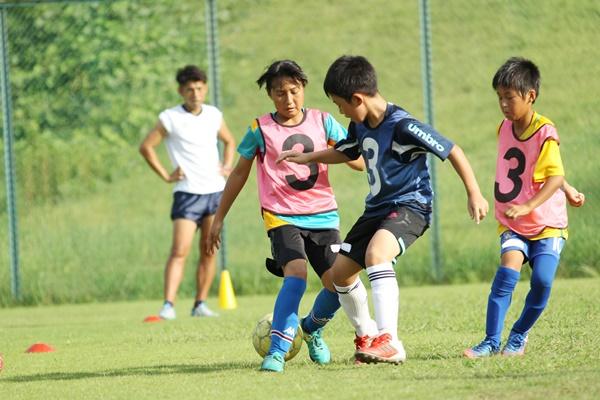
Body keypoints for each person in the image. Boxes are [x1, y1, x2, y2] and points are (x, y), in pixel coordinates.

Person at [277, 55, 489, 364]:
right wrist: (309, 158)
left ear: (357, 99)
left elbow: (452, 149)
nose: (341, 112)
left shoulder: (403, 126)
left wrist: (474, 192)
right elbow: (347, 152)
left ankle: (389, 341)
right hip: (376, 210)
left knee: (377, 254)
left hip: (410, 206)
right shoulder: (360, 124)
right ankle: (364, 335)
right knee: (340, 274)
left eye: (341, 105)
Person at [208, 60, 364, 372]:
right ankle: (277, 352)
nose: (288, 99)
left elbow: (358, 162)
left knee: (338, 283)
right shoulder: (260, 129)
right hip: (281, 216)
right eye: (280, 93)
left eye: (294, 91)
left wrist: (353, 153)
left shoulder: (323, 121)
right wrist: (219, 217)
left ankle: (311, 328)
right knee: (296, 273)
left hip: (323, 216)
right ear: (270, 95)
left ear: (303, 88)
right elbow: (238, 174)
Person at [463, 57, 585, 358]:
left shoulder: (545, 132)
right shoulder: (504, 128)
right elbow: (536, 170)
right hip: (513, 221)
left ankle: (518, 336)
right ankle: (491, 341)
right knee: (507, 274)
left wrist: (543, 197)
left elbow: (553, 175)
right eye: (499, 97)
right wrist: (566, 188)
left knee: (542, 281)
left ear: (530, 95)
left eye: (510, 97)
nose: (504, 104)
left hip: (548, 222)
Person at [139, 65, 235, 320]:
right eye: (190, 89)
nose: (195, 93)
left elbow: (229, 140)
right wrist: (166, 175)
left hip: (215, 192)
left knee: (209, 250)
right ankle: (168, 306)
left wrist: (227, 166)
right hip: (187, 194)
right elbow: (146, 147)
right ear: (181, 91)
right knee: (180, 250)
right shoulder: (170, 117)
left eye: (200, 88)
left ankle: (199, 304)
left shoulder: (213, 114)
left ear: (205, 88)